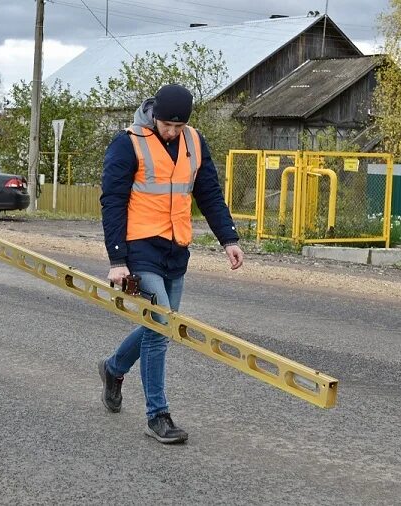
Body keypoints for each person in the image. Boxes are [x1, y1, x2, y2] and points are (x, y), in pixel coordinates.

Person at [98, 84, 244, 444]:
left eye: (179, 127)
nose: (173, 132)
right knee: (161, 326)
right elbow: (112, 201)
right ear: (153, 115)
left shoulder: (194, 142)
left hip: (176, 248)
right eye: (167, 125)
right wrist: (117, 259)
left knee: (160, 326)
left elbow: (208, 192)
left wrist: (229, 239)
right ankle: (157, 415)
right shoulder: (128, 142)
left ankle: (113, 369)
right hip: (140, 249)